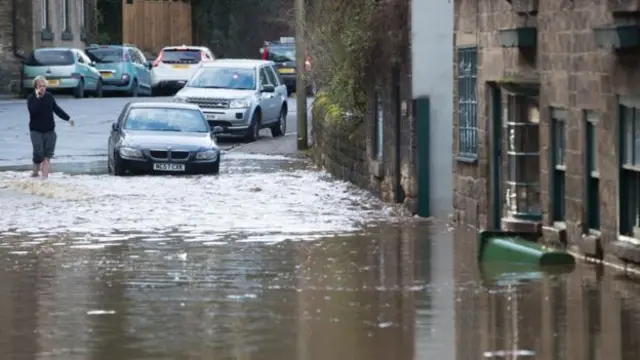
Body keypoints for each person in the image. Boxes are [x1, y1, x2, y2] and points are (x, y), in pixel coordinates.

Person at [26, 75, 75, 179]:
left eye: (44, 86)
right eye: (40, 86)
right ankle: (35, 173)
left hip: (49, 130)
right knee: (38, 154)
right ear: (35, 87)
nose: (42, 88)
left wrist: (68, 118)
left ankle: (44, 179)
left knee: (47, 156)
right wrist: (38, 98)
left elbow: (56, 109)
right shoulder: (31, 98)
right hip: (36, 130)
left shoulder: (49, 96)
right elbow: (33, 111)